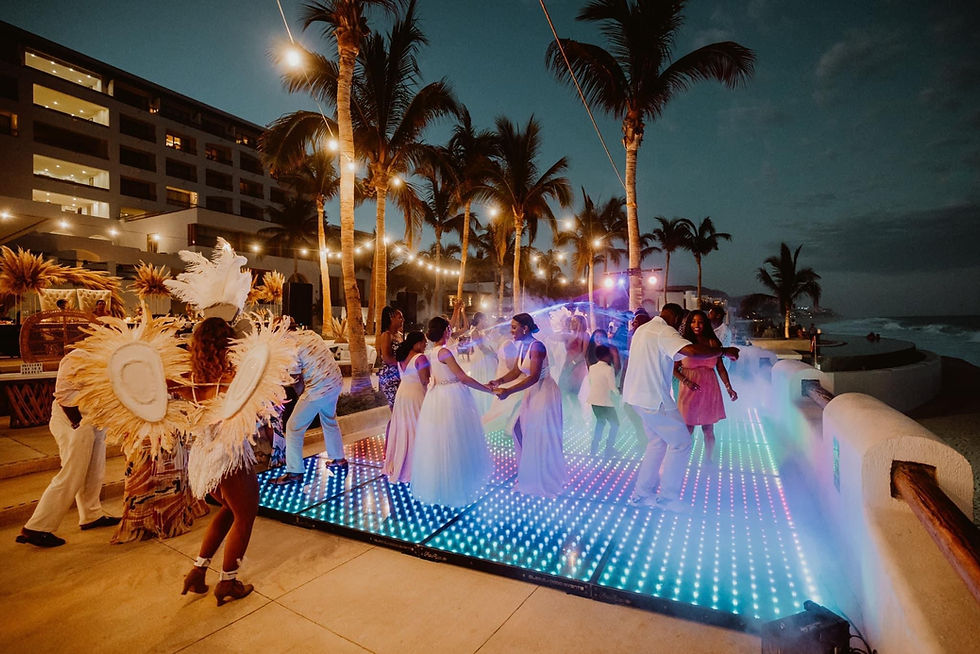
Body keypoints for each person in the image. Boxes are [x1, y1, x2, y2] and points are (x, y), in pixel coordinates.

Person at [622, 303, 738, 512]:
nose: (682, 325)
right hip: (653, 399)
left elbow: (683, 355)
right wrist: (723, 351)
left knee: (657, 443)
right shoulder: (663, 330)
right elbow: (690, 350)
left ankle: (641, 495)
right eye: (683, 320)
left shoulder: (644, 329)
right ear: (675, 317)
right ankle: (667, 498)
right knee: (682, 443)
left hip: (635, 397)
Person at [180, 317, 257, 605]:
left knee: (228, 510)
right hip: (229, 454)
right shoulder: (232, 377)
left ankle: (198, 571)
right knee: (245, 516)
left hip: (203, 457)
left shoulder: (192, 379)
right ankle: (228, 582)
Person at [16, 349, 120, 547]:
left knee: (94, 470)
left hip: (94, 419)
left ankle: (91, 515)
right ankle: (37, 527)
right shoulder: (77, 356)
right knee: (72, 473)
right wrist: (78, 424)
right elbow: (63, 394)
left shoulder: (113, 354)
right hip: (73, 419)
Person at [410, 316, 493, 506]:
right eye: (449, 328)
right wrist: (487, 389)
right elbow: (463, 377)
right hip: (451, 397)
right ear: (446, 330)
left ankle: (441, 485)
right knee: (456, 440)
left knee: (441, 443)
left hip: (437, 396)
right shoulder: (445, 352)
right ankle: (457, 484)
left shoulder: (432, 352)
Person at [490, 313, 567, 497]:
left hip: (544, 393)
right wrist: (499, 381)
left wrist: (509, 391)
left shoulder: (537, 346)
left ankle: (542, 478)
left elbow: (533, 376)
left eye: (514, 327)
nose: (511, 331)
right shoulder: (522, 346)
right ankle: (529, 472)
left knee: (537, 434)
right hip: (532, 393)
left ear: (525, 328)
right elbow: (517, 371)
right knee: (519, 429)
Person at [269, 324, 345, 485]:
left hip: (318, 389)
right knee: (329, 420)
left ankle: (294, 472)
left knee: (293, 427)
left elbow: (296, 379)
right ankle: (339, 458)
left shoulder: (289, 345)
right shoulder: (310, 333)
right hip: (335, 382)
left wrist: (301, 397)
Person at [674, 310, 737, 466]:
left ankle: (709, 461)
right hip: (689, 389)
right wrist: (685, 381)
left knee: (708, 429)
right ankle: (682, 461)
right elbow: (674, 368)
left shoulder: (713, 343)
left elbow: (721, 368)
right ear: (688, 324)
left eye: (700, 322)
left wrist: (729, 387)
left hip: (709, 389)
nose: (697, 325)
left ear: (706, 324)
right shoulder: (683, 344)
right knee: (688, 428)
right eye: (693, 322)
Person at [383, 331, 429, 483]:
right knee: (418, 427)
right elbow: (425, 381)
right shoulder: (420, 358)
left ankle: (402, 462)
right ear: (416, 343)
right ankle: (418, 464)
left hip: (402, 395)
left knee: (404, 428)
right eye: (424, 342)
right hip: (416, 394)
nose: (425, 344)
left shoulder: (402, 357)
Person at [587, 345, 620, 457]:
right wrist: (619, 393)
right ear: (607, 356)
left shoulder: (592, 367)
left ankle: (594, 448)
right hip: (605, 402)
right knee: (615, 425)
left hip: (594, 401)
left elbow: (591, 382)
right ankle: (609, 448)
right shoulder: (609, 369)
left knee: (600, 423)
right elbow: (612, 387)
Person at [464, 312, 498, 415]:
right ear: (480, 320)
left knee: (489, 376)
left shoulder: (481, 331)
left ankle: (488, 404)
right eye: (485, 320)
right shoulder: (474, 332)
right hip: (481, 359)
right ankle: (481, 406)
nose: (486, 322)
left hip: (485, 359)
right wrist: (493, 354)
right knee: (482, 378)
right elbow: (481, 347)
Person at [376, 306, 404, 409]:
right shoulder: (386, 335)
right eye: (400, 317)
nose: (403, 320)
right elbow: (387, 358)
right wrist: (404, 364)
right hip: (390, 376)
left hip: (400, 373)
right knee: (395, 409)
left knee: (401, 408)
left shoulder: (400, 335)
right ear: (391, 318)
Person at [558, 314, 589, 398]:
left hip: (577, 367)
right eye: (571, 321)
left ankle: (576, 410)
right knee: (561, 390)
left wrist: (573, 363)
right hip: (567, 365)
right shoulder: (569, 335)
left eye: (574, 321)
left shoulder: (585, 335)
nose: (571, 323)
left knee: (572, 394)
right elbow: (554, 337)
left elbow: (583, 353)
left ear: (580, 323)